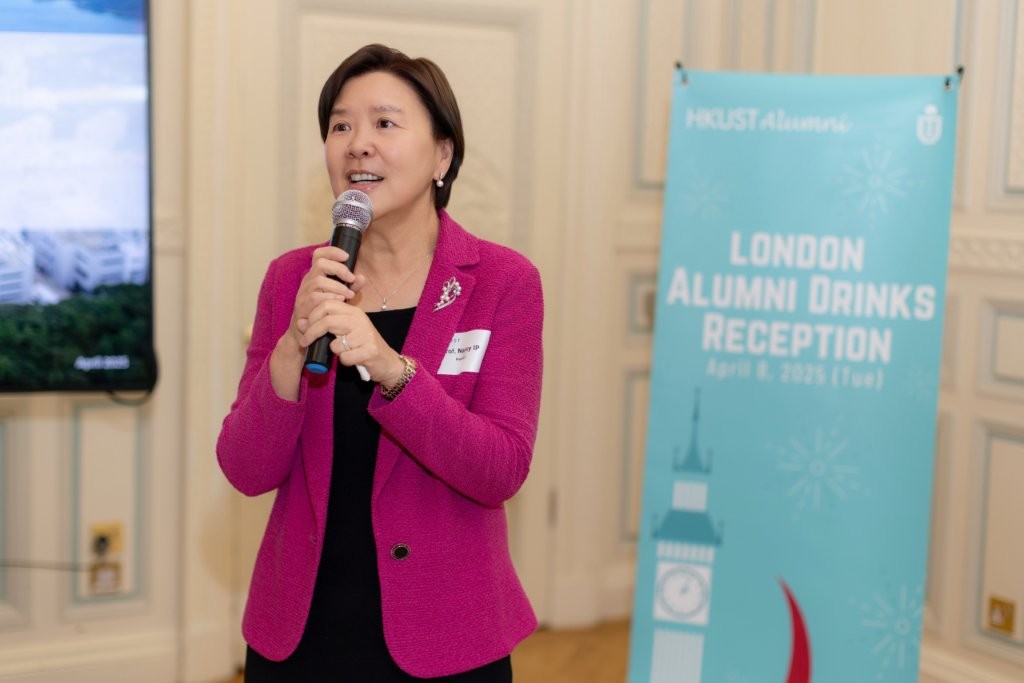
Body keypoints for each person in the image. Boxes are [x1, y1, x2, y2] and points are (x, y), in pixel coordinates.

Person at [216, 43, 544, 681]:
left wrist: (394, 372)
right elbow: (246, 469)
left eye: (385, 123)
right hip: (301, 635)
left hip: (446, 635)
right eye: (341, 126)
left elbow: (500, 470)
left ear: (442, 154)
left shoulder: (502, 282)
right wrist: (290, 346)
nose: (358, 145)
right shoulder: (294, 279)